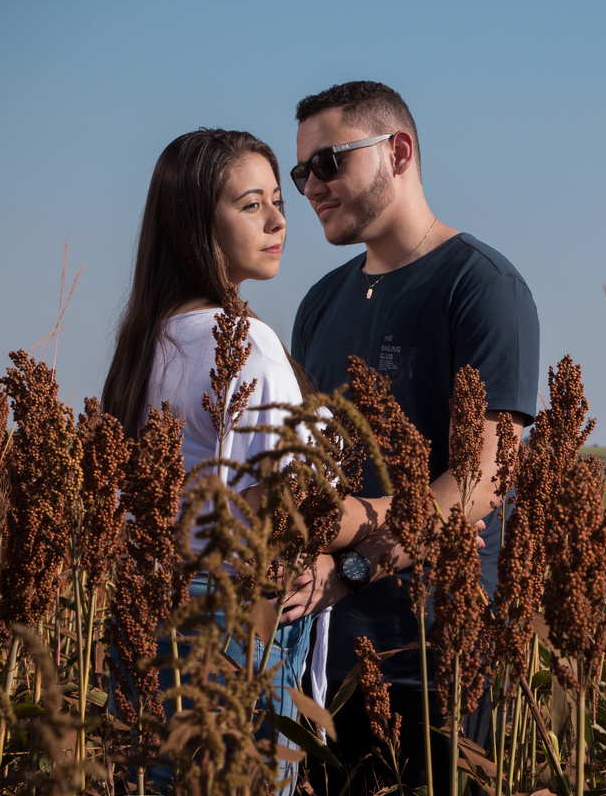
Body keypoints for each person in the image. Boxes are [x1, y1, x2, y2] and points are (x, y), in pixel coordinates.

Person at [281, 81, 541, 795]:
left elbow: (484, 477)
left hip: (433, 651)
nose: (309, 187)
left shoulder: (481, 287)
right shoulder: (320, 302)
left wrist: (351, 564)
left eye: (328, 162)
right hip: (324, 655)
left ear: (398, 152)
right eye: (299, 171)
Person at [101, 128, 315, 793]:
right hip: (229, 619)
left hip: (146, 607)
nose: (279, 220)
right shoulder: (249, 343)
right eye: (252, 205)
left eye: (279, 200)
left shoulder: (144, 344)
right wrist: (383, 533)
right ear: (196, 221)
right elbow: (287, 503)